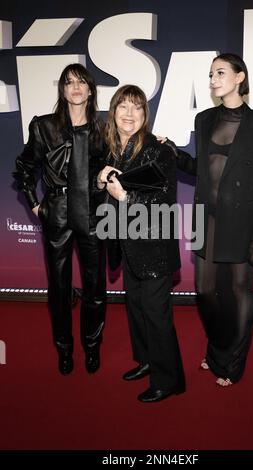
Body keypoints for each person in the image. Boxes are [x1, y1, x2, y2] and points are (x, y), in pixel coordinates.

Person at [169, 53, 253, 386]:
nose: (213, 79)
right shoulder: (204, 119)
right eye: (210, 74)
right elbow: (202, 168)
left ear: (239, 77)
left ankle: (232, 362)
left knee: (241, 290)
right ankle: (217, 348)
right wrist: (173, 152)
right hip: (206, 218)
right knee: (204, 290)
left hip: (241, 221)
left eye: (220, 72)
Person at [13, 63, 107, 375]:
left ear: (90, 89)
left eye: (81, 82)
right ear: (63, 90)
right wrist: (35, 204)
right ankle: (64, 349)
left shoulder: (102, 130)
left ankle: (92, 349)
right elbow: (24, 168)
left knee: (94, 288)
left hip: (93, 213)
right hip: (58, 211)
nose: (76, 87)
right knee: (59, 288)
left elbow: (121, 161)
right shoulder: (44, 126)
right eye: (69, 83)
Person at [97, 84, 185, 402]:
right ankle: (147, 361)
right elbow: (99, 191)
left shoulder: (157, 149)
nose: (129, 113)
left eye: (137, 107)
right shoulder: (110, 149)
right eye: (124, 106)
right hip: (127, 243)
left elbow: (165, 199)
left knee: (156, 312)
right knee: (136, 308)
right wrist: (99, 180)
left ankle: (170, 379)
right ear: (114, 111)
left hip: (154, 245)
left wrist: (125, 196)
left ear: (145, 115)